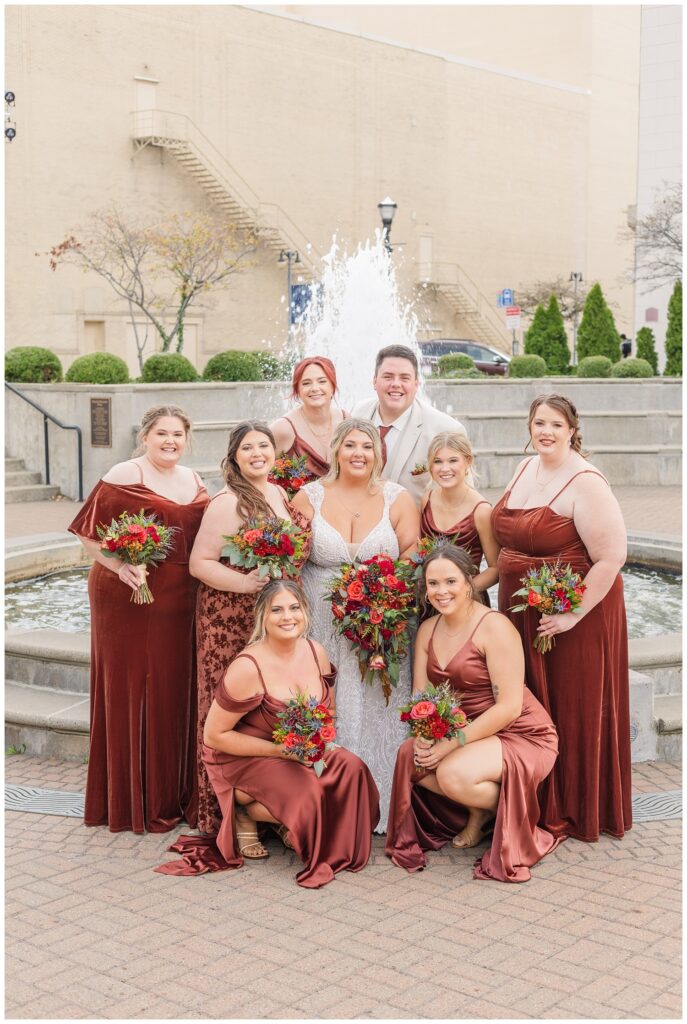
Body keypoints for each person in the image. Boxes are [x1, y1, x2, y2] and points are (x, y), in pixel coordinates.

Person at [162, 580, 379, 888]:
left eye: (294, 608)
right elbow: (214, 736)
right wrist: (282, 751)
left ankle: (297, 824)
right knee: (310, 793)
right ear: (262, 616)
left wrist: (319, 745)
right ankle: (247, 812)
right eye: (277, 610)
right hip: (244, 754)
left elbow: (326, 711)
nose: (287, 617)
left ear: (305, 612)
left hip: (298, 750)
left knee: (352, 771)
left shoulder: (315, 651)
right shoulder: (248, 666)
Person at [491, 393, 632, 841]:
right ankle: (534, 798)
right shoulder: (525, 467)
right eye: (538, 423)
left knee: (570, 705)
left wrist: (571, 614)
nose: (545, 432)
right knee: (531, 702)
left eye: (555, 424)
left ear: (573, 429)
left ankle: (574, 806)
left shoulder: (587, 482)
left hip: (574, 617)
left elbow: (611, 558)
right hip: (521, 612)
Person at [68, 405, 209, 833]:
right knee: (134, 689)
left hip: (182, 600)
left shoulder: (195, 479)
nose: (170, 441)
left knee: (173, 690)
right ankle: (132, 800)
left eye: (178, 435)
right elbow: (89, 534)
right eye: (162, 433)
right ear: (145, 436)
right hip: (129, 594)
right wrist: (119, 567)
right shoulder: (124, 473)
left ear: (187, 439)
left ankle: (172, 791)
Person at [385, 546, 560, 882]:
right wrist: (424, 737)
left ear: (469, 582)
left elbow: (509, 707)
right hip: (465, 731)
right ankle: (479, 811)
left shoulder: (494, 627)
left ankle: (512, 819)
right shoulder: (428, 630)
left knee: (452, 774)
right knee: (411, 758)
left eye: (450, 581)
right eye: (433, 584)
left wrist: (451, 744)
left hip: (519, 732)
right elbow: (421, 697)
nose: (441, 591)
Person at [292, 418, 420, 832]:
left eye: (367, 446)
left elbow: (412, 553)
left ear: (378, 454)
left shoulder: (397, 498)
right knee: (328, 700)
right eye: (350, 445)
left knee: (378, 703)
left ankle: (382, 800)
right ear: (336, 451)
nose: (359, 453)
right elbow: (293, 556)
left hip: (379, 624)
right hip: (321, 625)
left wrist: (380, 595)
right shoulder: (308, 496)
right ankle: (326, 801)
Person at [187, 421, 311, 836]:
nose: (258, 453)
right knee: (232, 709)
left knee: (266, 709)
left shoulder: (277, 491)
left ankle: (267, 803)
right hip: (231, 618)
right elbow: (199, 563)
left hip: (271, 617)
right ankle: (232, 814)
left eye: (264, 446)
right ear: (234, 457)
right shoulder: (228, 502)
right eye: (247, 448)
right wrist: (245, 583)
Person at [351, 344, 467, 505]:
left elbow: (464, 499)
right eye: (388, 376)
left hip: (417, 527)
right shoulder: (357, 413)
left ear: (416, 384)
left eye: (404, 378)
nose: (396, 384)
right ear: (374, 381)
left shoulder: (445, 429)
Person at [420, 432, 499, 604]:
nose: (445, 468)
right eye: (438, 461)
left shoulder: (481, 510)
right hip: (431, 599)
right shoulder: (427, 499)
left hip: (468, 599)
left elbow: (495, 569)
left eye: (453, 460)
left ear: (468, 461)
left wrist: (460, 592)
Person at [270, 356, 347, 478]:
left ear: (332, 385)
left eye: (322, 381)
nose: (315, 388)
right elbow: (256, 471)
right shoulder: (283, 429)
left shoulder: (347, 421)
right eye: (306, 383)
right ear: (297, 390)